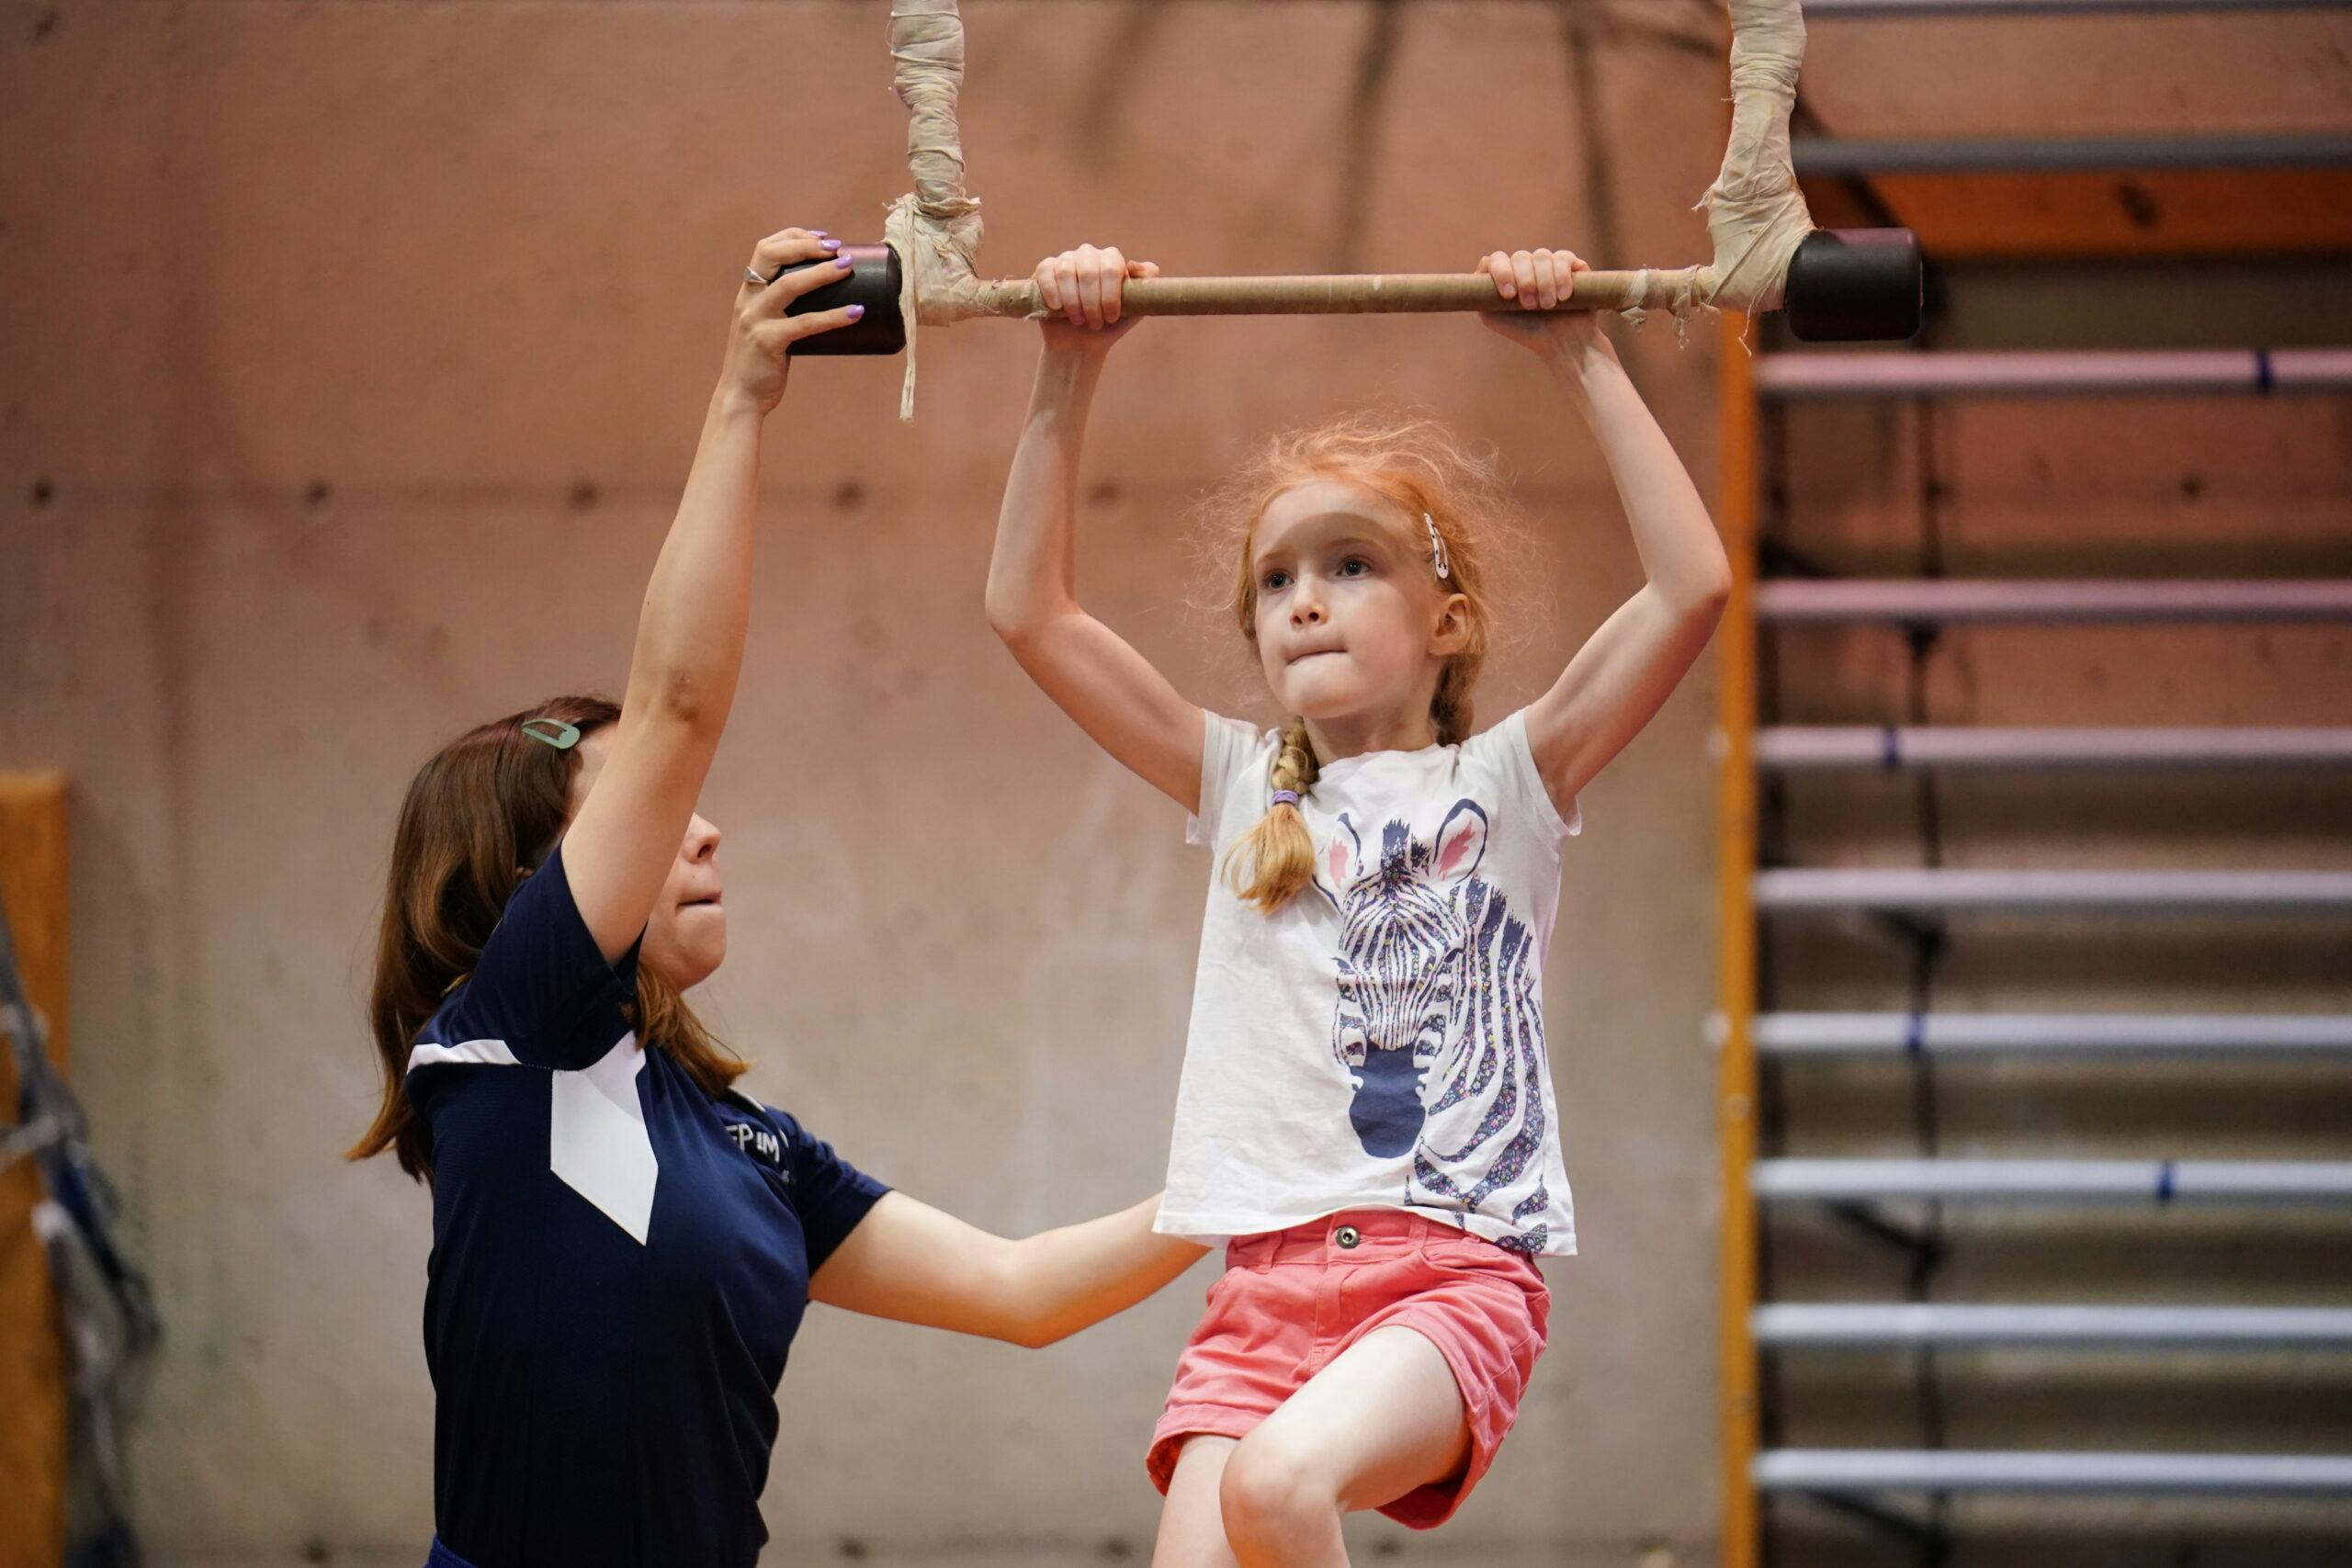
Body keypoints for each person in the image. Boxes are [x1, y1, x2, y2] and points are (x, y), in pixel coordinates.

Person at [348, 226, 1206, 1568]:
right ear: (529, 887)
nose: (702, 830)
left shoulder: (751, 1151)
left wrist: (1250, 1178)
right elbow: (681, 702)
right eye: (644, 809)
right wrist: (743, 395)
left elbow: (1023, 1290)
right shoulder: (510, 1032)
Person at [986, 243, 1731, 1566]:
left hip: (1446, 1278)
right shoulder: (1235, 785)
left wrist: (1580, 351)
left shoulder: (1506, 780)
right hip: (1264, 1289)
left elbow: (1693, 589)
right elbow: (1027, 615)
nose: (1303, 599)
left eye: (1350, 566)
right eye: (1275, 581)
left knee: (1278, 1488)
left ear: (1448, 622)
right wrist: (1069, 360)